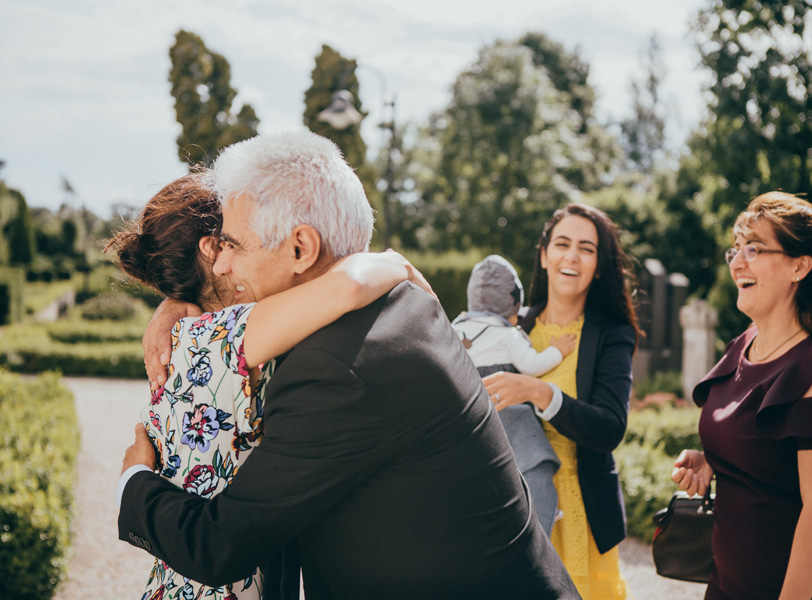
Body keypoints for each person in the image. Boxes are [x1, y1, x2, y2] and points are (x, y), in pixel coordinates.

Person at [117, 131, 579, 600]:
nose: (221, 266)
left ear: (301, 248)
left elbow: (219, 545)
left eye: (234, 244)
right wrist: (179, 304)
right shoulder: (405, 301)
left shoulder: (336, 367)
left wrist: (134, 481)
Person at [107, 172, 432, 600]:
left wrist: (169, 303)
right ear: (213, 248)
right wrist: (397, 263)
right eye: (242, 236)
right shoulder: (227, 335)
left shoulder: (192, 333)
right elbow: (343, 287)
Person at [671, 192, 812, 599]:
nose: (738, 262)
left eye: (754, 248)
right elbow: (767, 453)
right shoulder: (744, 345)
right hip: (729, 586)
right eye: (736, 249)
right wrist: (714, 460)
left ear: (799, 265)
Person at [483, 203, 639, 599]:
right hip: (515, 509)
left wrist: (538, 392)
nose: (572, 256)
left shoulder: (612, 334)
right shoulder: (512, 328)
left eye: (586, 249)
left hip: (582, 514)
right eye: (563, 244)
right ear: (544, 254)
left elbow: (609, 428)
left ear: (599, 266)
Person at [451, 254, 576, 535]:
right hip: (507, 411)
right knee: (535, 465)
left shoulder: (452, 329)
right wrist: (558, 350)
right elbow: (532, 366)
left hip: (466, 417)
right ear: (514, 302)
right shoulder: (509, 334)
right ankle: (543, 515)